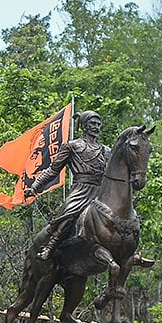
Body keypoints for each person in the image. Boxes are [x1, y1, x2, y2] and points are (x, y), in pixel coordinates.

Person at [24, 110, 110, 260]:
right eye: (92, 123)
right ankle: (49, 247)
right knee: (68, 214)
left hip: (101, 191)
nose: (96, 127)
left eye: (98, 124)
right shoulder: (72, 146)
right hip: (81, 190)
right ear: (84, 125)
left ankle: (130, 252)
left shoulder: (106, 150)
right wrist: (35, 187)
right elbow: (52, 170)